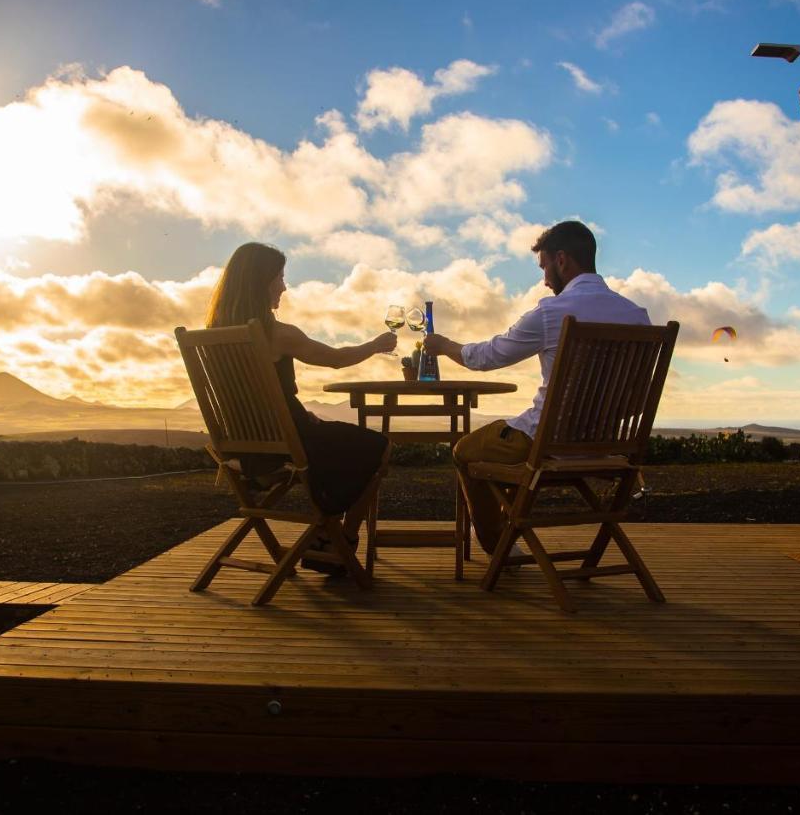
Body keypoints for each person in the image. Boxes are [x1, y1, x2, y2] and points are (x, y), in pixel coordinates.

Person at [423, 220, 651, 556]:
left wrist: (443, 345)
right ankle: (507, 530)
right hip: (605, 447)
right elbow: (636, 400)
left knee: (465, 450)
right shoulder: (637, 316)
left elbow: (487, 356)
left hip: (544, 442)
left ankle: (495, 543)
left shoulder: (551, 313)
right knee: (504, 457)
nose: (545, 280)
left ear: (562, 260)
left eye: (544, 266)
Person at [205, 242, 396, 573]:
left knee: (339, 439)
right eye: (279, 276)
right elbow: (335, 359)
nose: (284, 285)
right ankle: (340, 539)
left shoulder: (213, 334)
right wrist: (375, 346)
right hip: (290, 443)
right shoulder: (276, 333)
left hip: (248, 447)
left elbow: (249, 397)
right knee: (379, 446)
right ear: (259, 281)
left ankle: (327, 536)